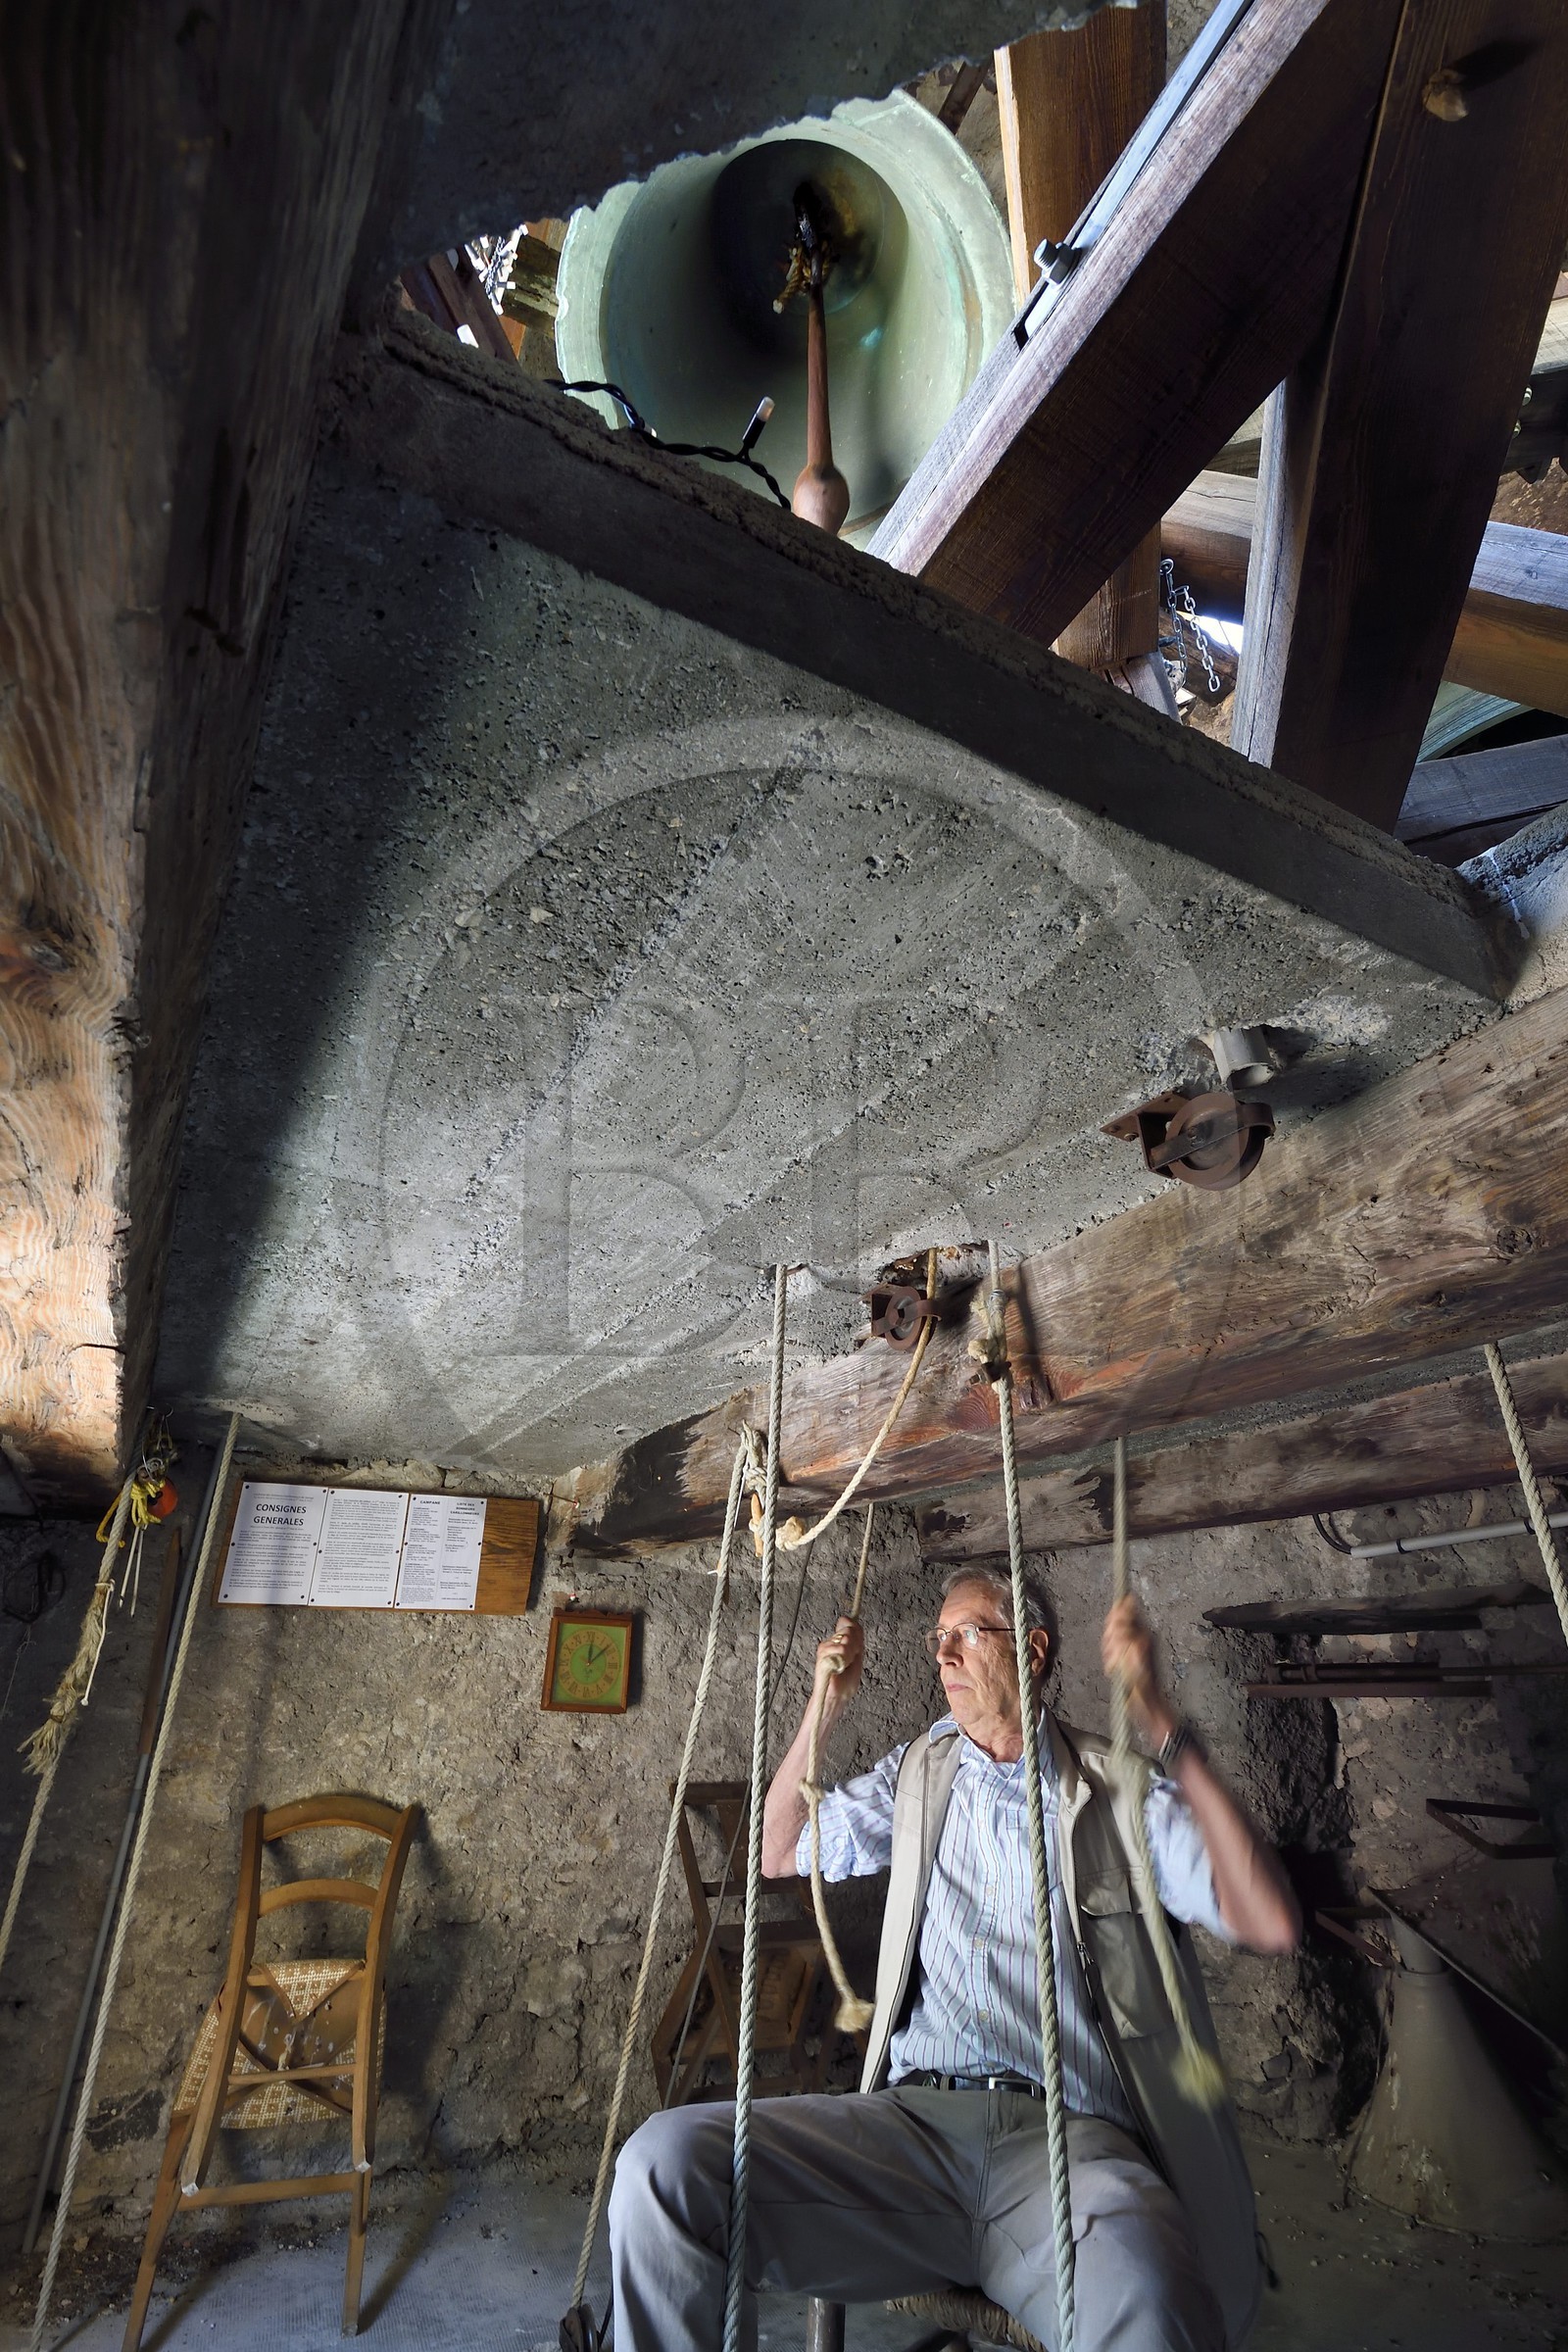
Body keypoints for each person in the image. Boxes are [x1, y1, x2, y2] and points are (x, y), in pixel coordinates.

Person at [608, 1563, 1300, 2351]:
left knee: (1150, 2292)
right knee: (662, 2167)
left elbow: (1268, 1919)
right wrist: (822, 1707)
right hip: (909, 2133)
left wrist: (1157, 1713)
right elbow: (777, 1851)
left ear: (1031, 1651)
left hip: (1066, 2148)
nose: (942, 1656)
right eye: (938, 1639)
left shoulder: (1117, 1790)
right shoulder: (918, 1775)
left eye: (965, 1634)